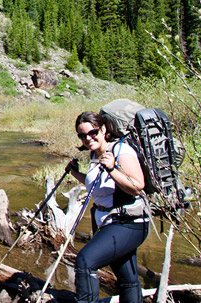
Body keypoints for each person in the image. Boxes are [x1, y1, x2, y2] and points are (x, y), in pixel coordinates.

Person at [66, 111, 150, 303]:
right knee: (127, 279)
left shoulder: (122, 151)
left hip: (128, 223)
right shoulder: (95, 154)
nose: (88, 138)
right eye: (82, 135)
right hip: (110, 223)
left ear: (103, 129)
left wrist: (112, 168)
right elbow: (96, 186)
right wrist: (75, 173)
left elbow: (137, 186)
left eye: (92, 132)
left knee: (85, 262)